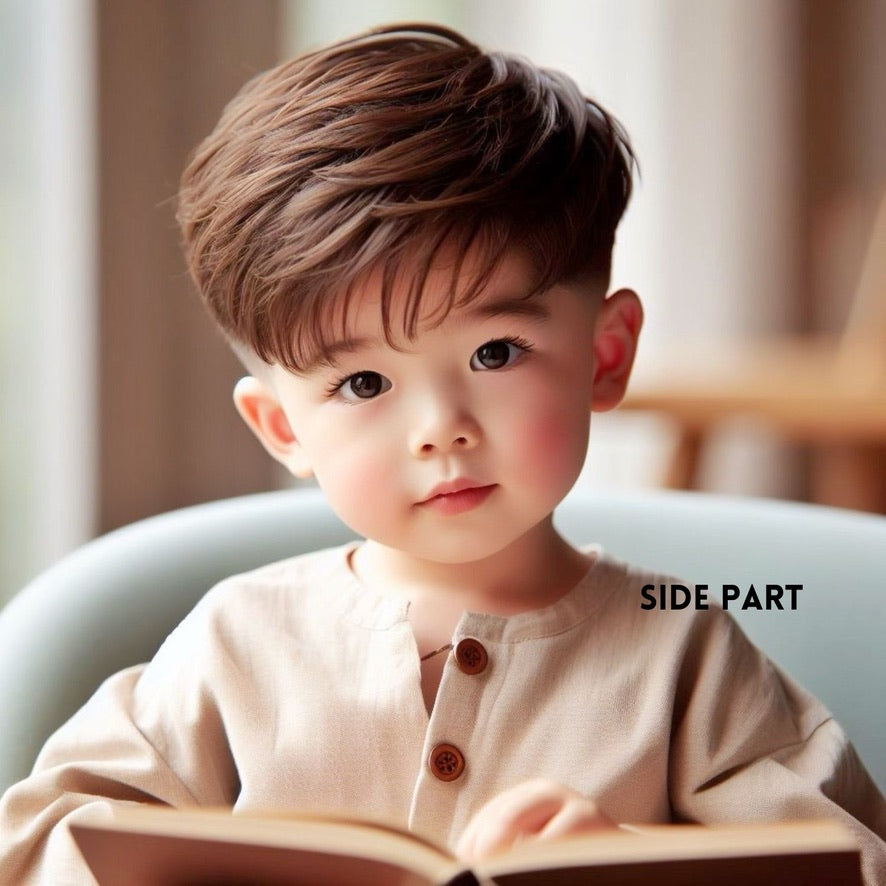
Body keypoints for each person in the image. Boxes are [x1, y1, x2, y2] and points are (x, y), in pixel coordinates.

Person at [1, 22, 884, 884]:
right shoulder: (233, 646)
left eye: (494, 354)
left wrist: (621, 860)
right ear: (282, 429)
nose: (440, 429)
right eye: (362, 385)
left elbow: (840, 863)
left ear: (603, 357)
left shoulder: (687, 652)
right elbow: (43, 848)